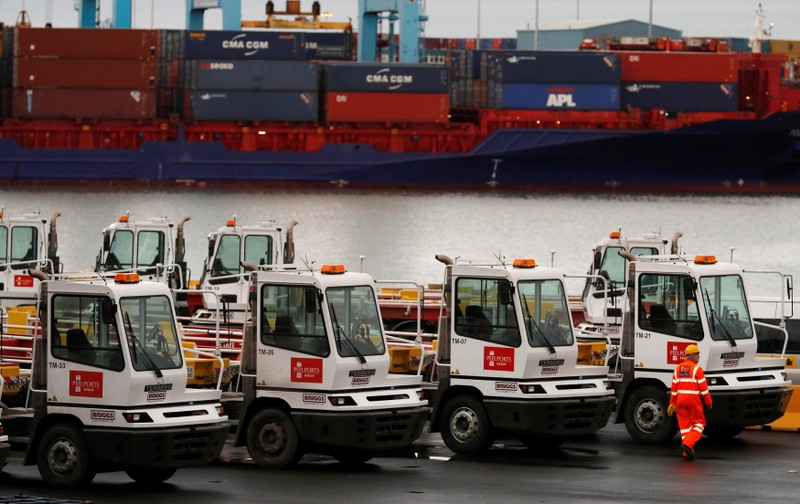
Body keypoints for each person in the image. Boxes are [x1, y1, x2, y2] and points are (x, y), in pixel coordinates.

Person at [667, 344, 712, 461]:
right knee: (699, 423)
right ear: (692, 356)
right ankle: (687, 444)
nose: (699, 357)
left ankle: (687, 453)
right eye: (698, 354)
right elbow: (704, 389)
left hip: (680, 401)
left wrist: (672, 403)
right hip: (693, 401)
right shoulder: (697, 369)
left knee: (685, 428)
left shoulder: (677, 369)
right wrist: (708, 402)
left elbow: (674, 388)